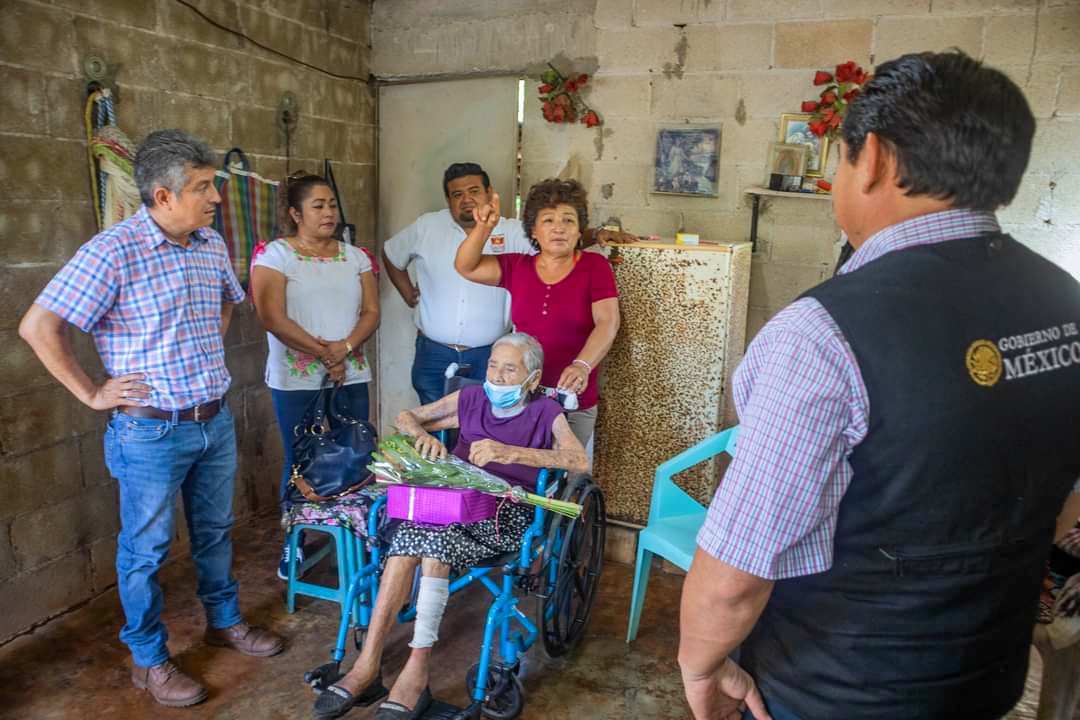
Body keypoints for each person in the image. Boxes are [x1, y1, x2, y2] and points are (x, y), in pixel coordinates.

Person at [677, 51, 1080, 720]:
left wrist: (701, 663)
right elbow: (1062, 503)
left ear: (874, 160)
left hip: (837, 689)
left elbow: (735, 577)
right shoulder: (1065, 301)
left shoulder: (823, 334)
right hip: (986, 678)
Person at [17, 129, 284, 709]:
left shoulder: (209, 242)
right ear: (162, 196)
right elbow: (38, 327)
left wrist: (201, 353)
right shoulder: (112, 250)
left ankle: (225, 622)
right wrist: (92, 393)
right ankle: (149, 659)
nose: (215, 197)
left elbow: (226, 299)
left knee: (215, 531)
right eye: (202, 187)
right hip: (149, 430)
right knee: (147, 549)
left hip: (211, 420)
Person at [312, 332, 587, 720]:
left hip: (502, 512)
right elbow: (406, 417)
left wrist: (510, 452)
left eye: (511, 369)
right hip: (448, 501)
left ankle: (415, 672)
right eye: (493, 365)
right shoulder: (471, 398)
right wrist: (424, 438)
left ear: (532, 377)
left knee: (426, 538)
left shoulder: (544, 411)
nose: (498, 376)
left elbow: (579, 461)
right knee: (410, 539)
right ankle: (366, 664)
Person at [383, 162, 634, 406]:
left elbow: (606, 319)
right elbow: (462, 266)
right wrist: (409, 294)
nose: (466, 199)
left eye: (474, 191)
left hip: (519, 370)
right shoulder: (513, 264)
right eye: (457, 194)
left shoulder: (523, 236)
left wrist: (598, 233)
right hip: (461, 362)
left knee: (483, 429)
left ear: (489, 193)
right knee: (436, 429)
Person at [250, 171, 380, 579]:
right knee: (299, 461)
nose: (328, 213)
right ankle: (294, 545)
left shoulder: (355, 256)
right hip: (296, 378)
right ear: (295, 212)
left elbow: (371, 312)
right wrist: (325, 353)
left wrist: (341, 351)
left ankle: (359, 543)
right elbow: (271, 316)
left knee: (356, 455)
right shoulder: (276, 256)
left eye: (332, 205)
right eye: (317, 206)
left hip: (350, 372)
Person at [454, 178, 621, 451]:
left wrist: (582, 365)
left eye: (568, 220)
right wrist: (484, 227)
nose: (559, 228)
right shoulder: (518, 266)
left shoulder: (595, 266)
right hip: (523, 399)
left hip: (572, 399)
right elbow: (466, 266)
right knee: (521, 475)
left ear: (580, 231)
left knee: (563, 476)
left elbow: (608, 321)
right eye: (548, 220)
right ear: (533, 230)